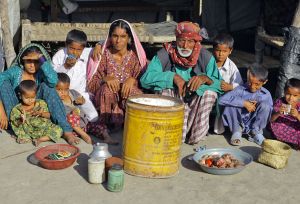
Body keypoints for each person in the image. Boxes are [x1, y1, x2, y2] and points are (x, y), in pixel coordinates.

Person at [140, 21, 223, 145]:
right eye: (181, 41)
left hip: (195, 108)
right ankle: (172, 134)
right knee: (165, 90)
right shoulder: (164, 54)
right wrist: (172, 77)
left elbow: (220, 85)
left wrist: (206, 79)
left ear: (196, 42)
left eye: (190, 42)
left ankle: (195, 135)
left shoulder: (205, 56)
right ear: (176, 40)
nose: (185, 46)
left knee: (210, 93)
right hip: (174, 106)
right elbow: (145, 79)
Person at [0, 43, 79, 145]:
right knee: (3, 83)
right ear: (22, 60)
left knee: (48, 87)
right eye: (29, 61)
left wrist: (42, 59)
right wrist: (1, 113)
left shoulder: (40, 72)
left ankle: (67, 131)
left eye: (36, 61)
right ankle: (17, 127)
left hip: (35, 108)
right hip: (16, 111)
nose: (32, 65)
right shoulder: (15, 71)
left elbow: (53, 81)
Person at [87, 19, 147, 144]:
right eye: (115, 36)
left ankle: (132, 124)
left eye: (123, 36)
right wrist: (105, 79)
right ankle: (105, 126)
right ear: (110, 37)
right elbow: (91, 84)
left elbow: (145, 83)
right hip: (106, 100)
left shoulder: (135, 57)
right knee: (106, 90)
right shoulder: (103, 55)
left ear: (129, 38)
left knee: (135, 93)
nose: (118, 41)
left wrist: (133, 80)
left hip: (126, 100)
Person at [52, 29, 100, 123]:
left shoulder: (88, 53)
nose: (74, 52)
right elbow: (53, 77)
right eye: (72, 48)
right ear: (66, 45)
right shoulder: (59, 56)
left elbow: (106, 42)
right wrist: (65, 66)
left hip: (80, 94)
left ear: (83, 48)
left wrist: (98, 45)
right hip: (62, 94)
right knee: (63, 114)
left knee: (94, 117)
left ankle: (82, 124)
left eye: (78, 50)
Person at [219, 65, 273, 146]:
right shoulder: (240, 89)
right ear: (247, 79)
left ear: (264, 82)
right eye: (250, 82)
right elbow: (221, 100)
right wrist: (244, 103)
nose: (252, 86)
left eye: (257, 84)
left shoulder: (266, 94)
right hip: (238, 121)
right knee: (230, 105)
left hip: (253, 123)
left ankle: (255, 133)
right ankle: (236, 132)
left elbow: (269, 112)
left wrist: (259, 104)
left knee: (266, 106)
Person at [10, 80, 62, 146]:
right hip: (29, 131)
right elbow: (15, 123)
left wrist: (41, 114)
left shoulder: (41, 103)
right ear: (20, 96)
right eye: (27, 98)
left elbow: (50, 115)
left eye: (33, 97)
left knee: (59, 129)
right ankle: (28, 138)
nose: (30, 100)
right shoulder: (17, 109)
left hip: (44, 129)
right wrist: (21, 120)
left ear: (36, 95)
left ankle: (40, 139)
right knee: (20, 131)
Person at [212, 33, 243, 134]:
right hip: (210, 93)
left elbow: (240, 85)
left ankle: (221, 128)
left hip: (223, 96)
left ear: (230, 51)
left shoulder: (232, 67)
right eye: (218, 50)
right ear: (213, 49)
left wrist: (230, 86)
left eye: (224, 51)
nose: (221, 54)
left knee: (225, 101)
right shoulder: (209, 62)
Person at [56, 73, 92, 144]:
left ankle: (106, 137)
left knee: (98, 125)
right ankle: (85, 136)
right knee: (71, 117)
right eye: (59, 90)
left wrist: (82, 100)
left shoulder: (73, 93)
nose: (63, 92)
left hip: (84, 123)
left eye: (66, 89)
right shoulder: (56, 101)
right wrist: (72, 113)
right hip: (73, 127)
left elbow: (82, 99)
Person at [270, 78, 300, 148]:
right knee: (277, 127)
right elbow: (271, 119)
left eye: (295, 96)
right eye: (288, 94)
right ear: (284, 92)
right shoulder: (280, 102)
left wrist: (297, 115)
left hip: (295, 128)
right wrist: (278, 113)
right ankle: (285, 141)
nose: (291, 98)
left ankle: (292, 142)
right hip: (282, 126)